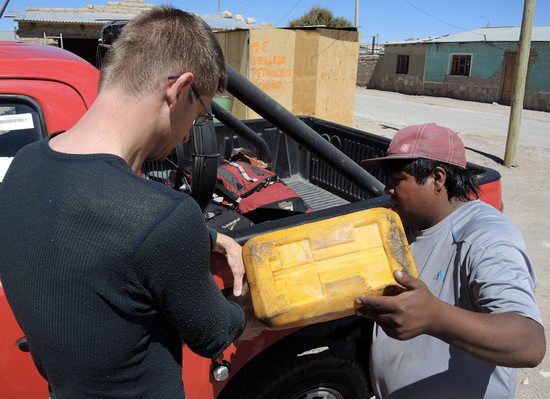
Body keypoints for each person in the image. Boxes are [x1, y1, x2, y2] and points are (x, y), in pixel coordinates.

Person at [0, 7, 250, 399]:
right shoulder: (164, 217)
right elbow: (213, 333)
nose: (187, 136)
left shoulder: (23, 167)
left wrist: (208, 238)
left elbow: (100, 236)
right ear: (180, 89)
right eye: (199, 114)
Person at [357, 123, 545, 399]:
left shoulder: (485, 238)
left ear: (437, 178)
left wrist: (435, 317)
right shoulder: (405, 225)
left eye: (397, 180)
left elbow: (530, 344)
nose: (387, 190)